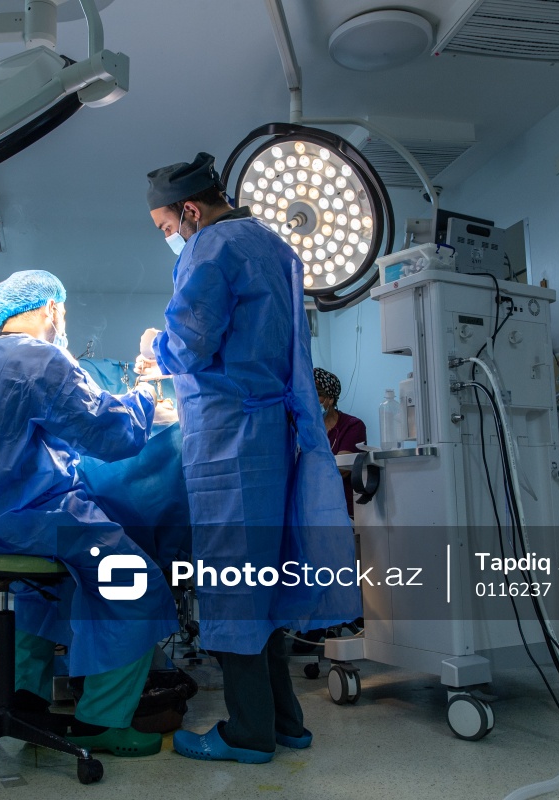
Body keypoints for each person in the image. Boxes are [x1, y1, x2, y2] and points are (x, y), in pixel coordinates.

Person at [138, 153, 361, 763]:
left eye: (167, 226)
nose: (171, 237)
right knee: (265, 581)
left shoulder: (210, 247)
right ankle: (286, 721)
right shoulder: (272, 244)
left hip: (229, 438)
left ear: (190, 209)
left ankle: (249, 733)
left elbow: (191, 343)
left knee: (233, 582)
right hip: (272, 436)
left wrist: (155, 346)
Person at [0, 270, 178, 757]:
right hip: (26, 520)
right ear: (51, 308)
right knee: (136, 583)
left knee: (41, 592)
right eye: (63, 311)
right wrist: (146, 395)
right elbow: (108, 433)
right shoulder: (40, 359)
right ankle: (102, 720)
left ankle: (27, 700)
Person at [315, 367, 367, 517]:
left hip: (343, 509)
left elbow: (341, 469)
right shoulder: (306, 429)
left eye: (316, 396)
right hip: (313, 508)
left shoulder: (352, 426)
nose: (310, 402)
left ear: (330, 399)